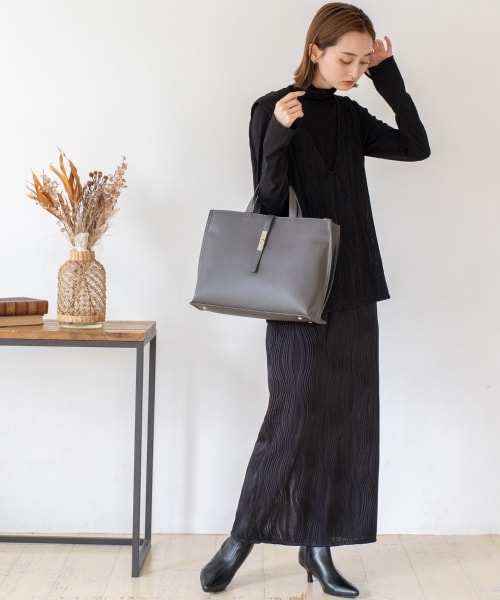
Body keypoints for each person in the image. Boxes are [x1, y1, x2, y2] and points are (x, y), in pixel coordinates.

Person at [200, 3, 430, 597]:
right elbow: (268, 201)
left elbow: (416, 146)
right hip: (295, 288)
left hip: (353, 283)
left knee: (344, 419)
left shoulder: (352, 116)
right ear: (315, 52)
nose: (354, 71)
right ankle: (241, 537)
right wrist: (279, 134)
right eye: (345, 59)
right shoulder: (272, 109)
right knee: (292, 414)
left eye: (362, 62)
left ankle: (318, 546)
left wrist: (388, 76)